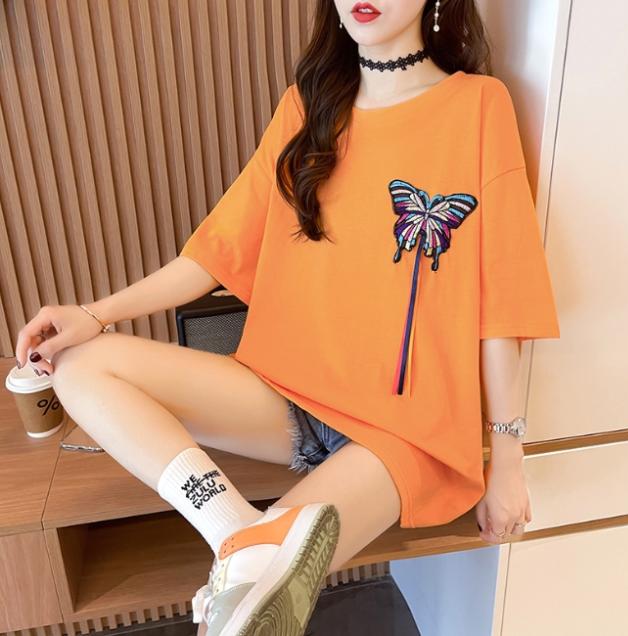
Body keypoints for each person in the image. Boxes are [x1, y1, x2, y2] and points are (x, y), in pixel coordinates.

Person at [14, 0, 561, 634]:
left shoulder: (478, 106)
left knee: (237, 618)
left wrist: (508, 460)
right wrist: (93, 313)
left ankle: (247, 555)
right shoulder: (306, 108)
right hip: (286, 396)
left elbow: (502, 302)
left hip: (402, 433)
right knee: (79, 363)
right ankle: (234, 529)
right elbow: (213, 253)